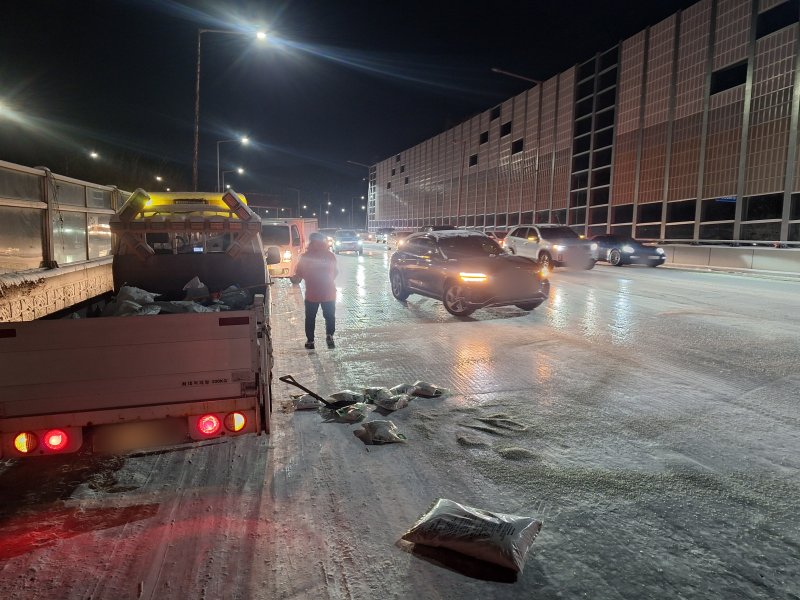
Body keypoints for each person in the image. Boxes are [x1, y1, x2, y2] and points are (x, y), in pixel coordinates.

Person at [295, 231, 338, 349]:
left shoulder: (305, 256)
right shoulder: (330, 255)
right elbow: (335, 272)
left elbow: (299, 273)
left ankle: (310, 341)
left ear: (311, 242)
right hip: (328, 292)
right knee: (329, 316)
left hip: (312, 293)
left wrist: (308, 277)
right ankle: (330, 335)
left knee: (310, 318)